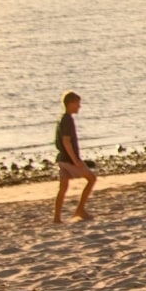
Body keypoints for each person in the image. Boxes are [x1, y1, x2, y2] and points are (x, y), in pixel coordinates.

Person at [52, 91, 96, 223]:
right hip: (69, 160)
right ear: (70, 104)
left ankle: (57, 218)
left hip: (61, 159)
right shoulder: (68, 120)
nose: (79, 106)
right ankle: (80, 210)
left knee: (63, 188)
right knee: (91, 179)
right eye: (77, 103)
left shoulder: (61, 118)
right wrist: (76, 160)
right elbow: (66, 141)